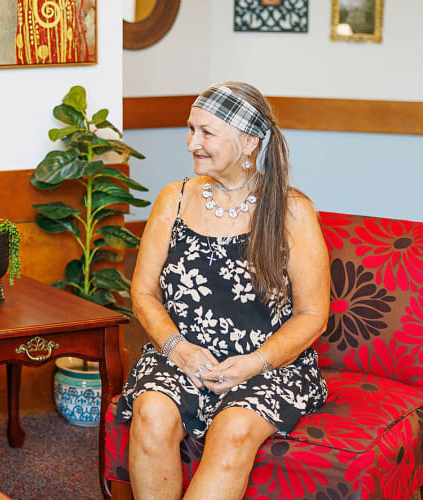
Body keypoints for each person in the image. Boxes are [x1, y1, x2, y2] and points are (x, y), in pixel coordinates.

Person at [117, 82, 329, 499]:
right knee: (151, 413)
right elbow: (142, 292)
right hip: (182, 354)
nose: (191, 142)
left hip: (269, 366)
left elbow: (312, 314)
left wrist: (255, 362)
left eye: (206, 133)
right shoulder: (173, 199)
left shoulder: (292, 211)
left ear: (249, 141)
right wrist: (178, 348)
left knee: (233, 430)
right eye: (190, 129)